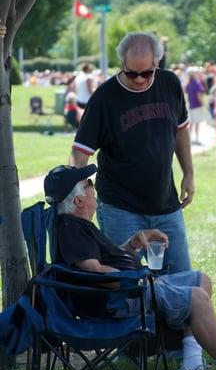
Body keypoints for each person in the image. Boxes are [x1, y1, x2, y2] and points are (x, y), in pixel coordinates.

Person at [43, 164, 216, 370]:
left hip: (124, 290)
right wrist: (135, 279)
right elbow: (93, 270)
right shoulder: (71, 228)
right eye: (89, 184)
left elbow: (102, 263)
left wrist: (133, 244)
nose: (94, 189)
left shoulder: (78, 225)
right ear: (79, 200)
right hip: (119, 299)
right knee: (197, 298)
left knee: (201, 280)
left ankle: (192, 364)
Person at [69, 32, 194, 275]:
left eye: (147, 73)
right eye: (132, 73)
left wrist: (189, 173)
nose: (139, 80)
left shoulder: (170, 83)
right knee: (123, 286)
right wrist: (76, 194)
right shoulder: (104, 97)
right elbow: (79, 152)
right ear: (122, 65)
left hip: (166, 205)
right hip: (120, 209)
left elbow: (181, 132)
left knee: (182, 279)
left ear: (157, 63)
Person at [185, 69, 205, 145]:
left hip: (190, 105)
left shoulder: (188, 83)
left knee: (191, 123)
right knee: (197, 123)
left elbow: (186, 93)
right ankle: (196, 138)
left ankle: (190, 138)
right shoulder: (196, 83)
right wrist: (202, 104)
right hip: (197, 105)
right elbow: (199, 95)